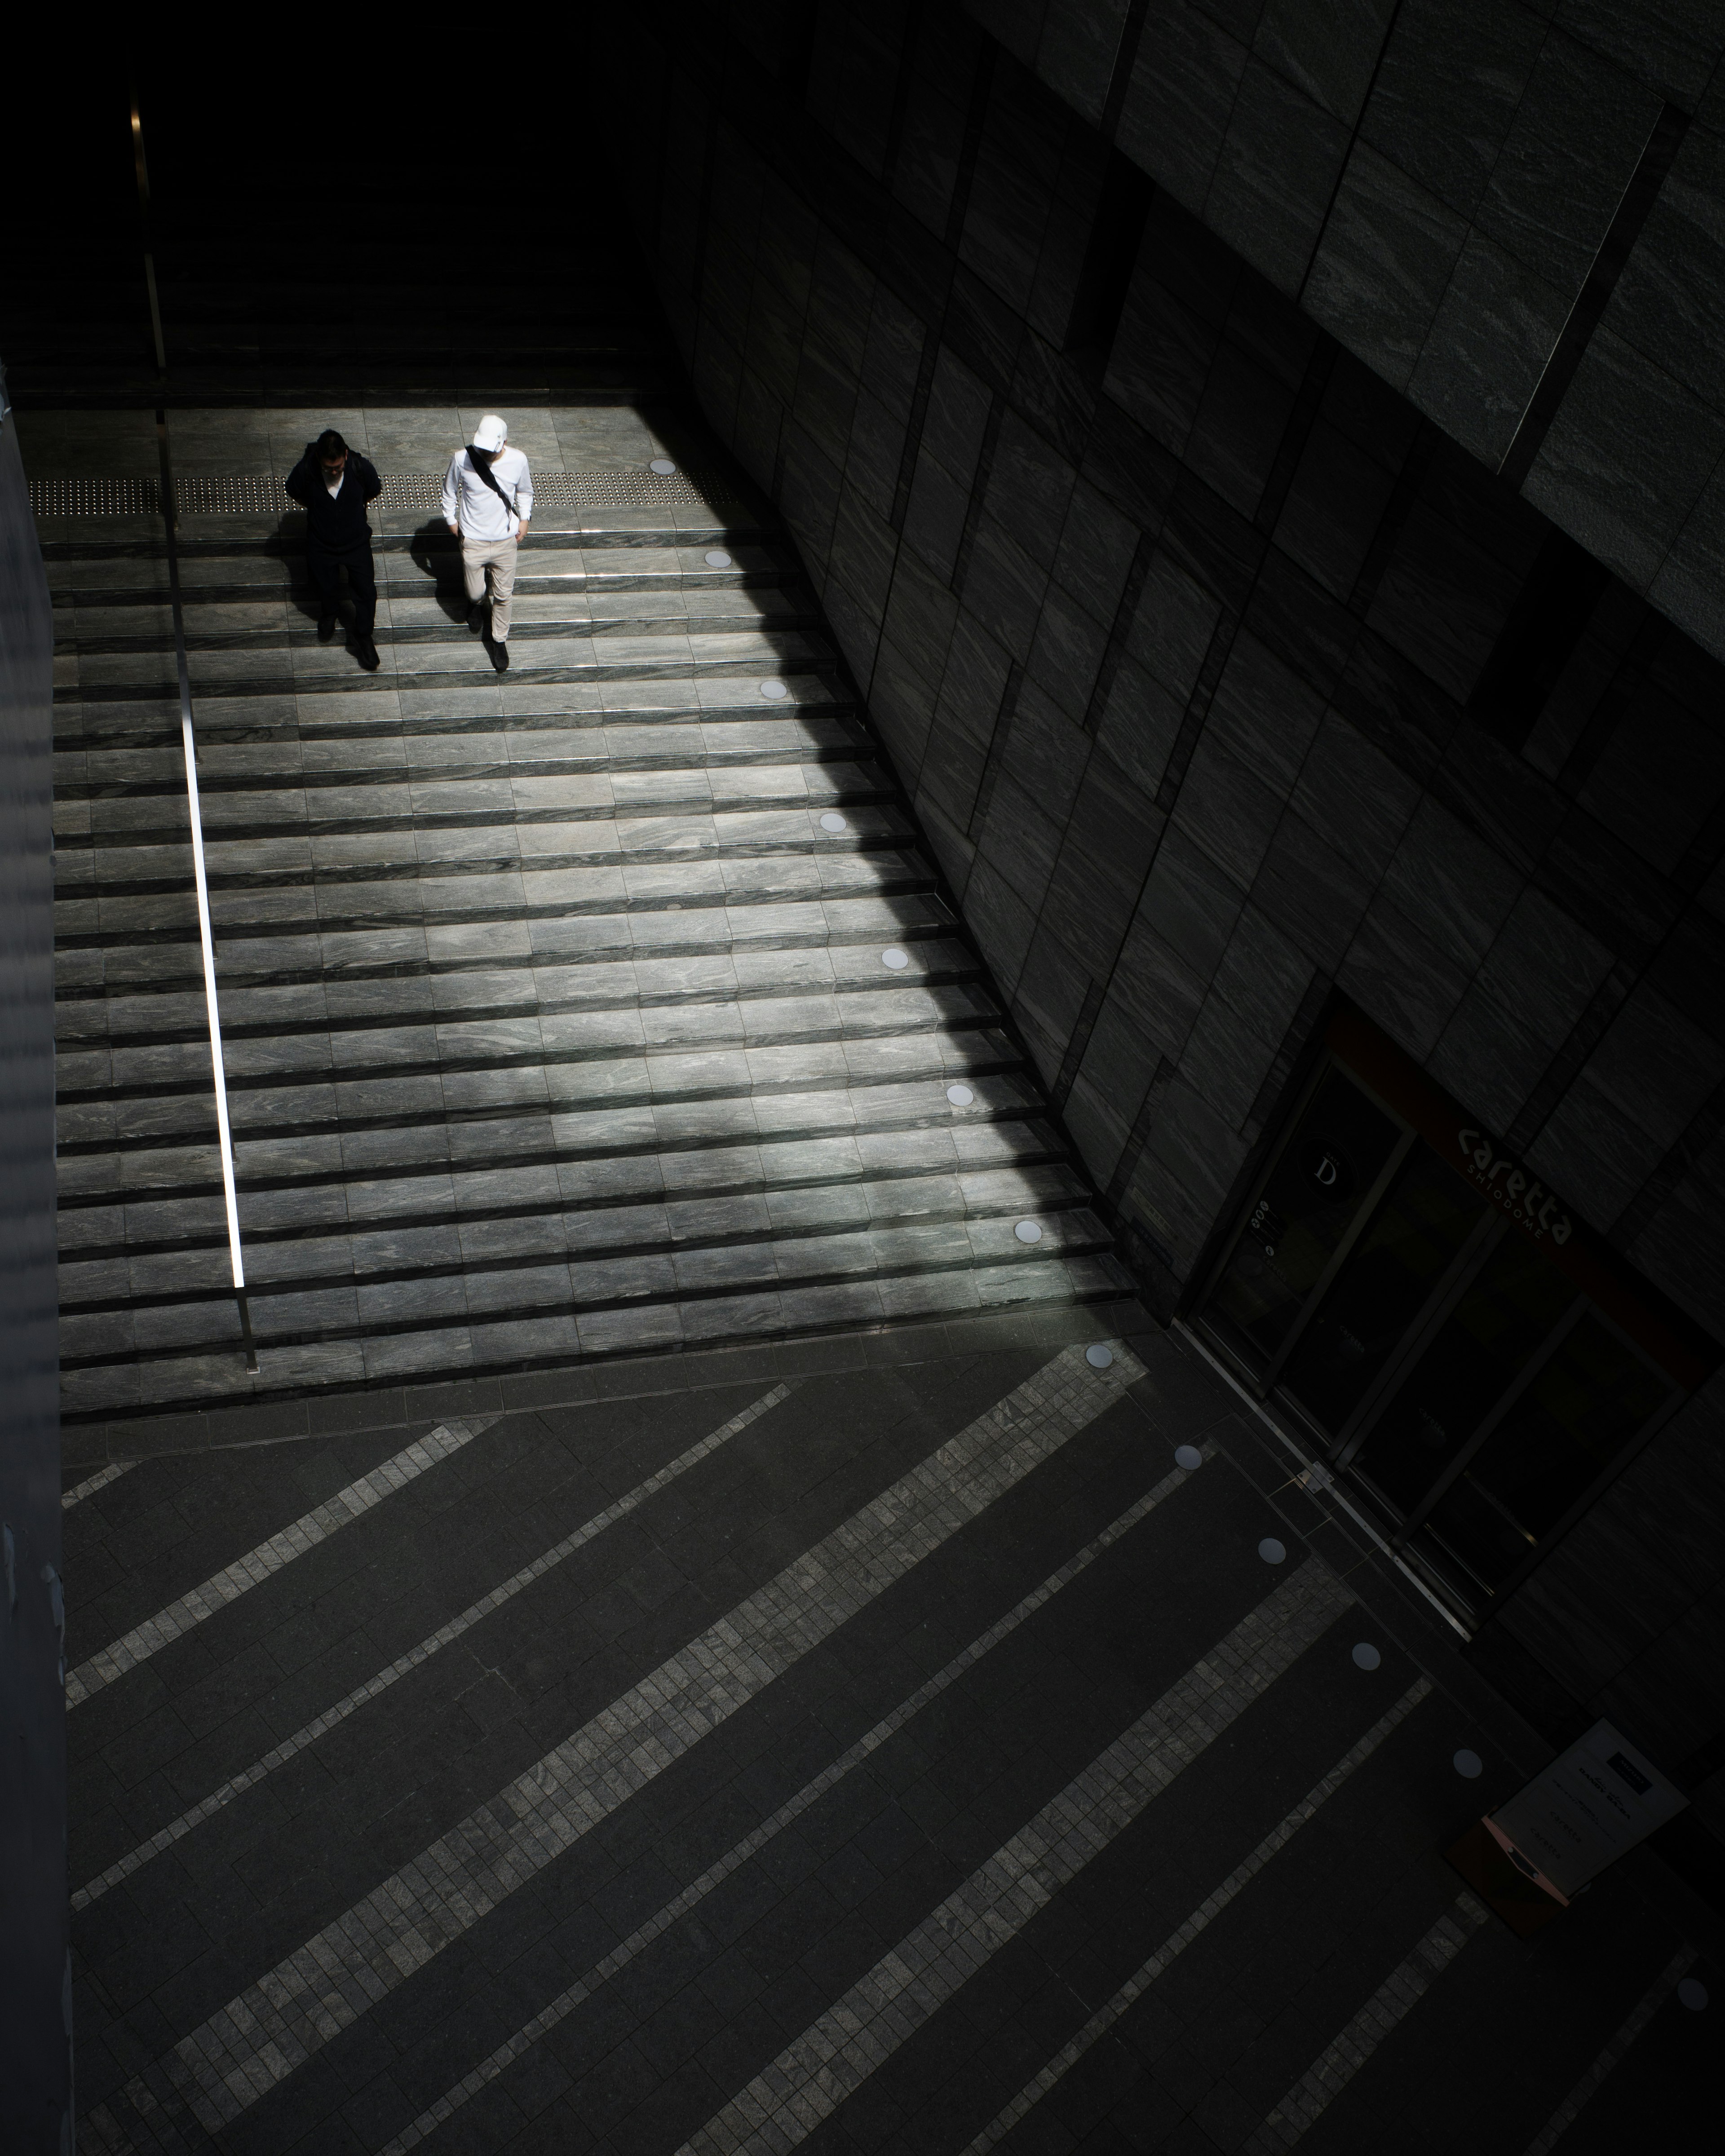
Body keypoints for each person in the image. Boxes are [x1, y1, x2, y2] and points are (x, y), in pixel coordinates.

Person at [283, 429, 383, 670]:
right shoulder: (307, 471)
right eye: (329, 469)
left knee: (367, 593)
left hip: (356, 543)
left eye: (338, 467)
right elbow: (293, 489)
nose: (334, 472)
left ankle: (363, 635)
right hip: (322, 544)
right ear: (319, 460)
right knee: (324, 586)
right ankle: (329, 613)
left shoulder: (360, 468)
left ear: (346, 456)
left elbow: (374, 488)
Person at [441, 414, 532, 672]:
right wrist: (451, 521)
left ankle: (499, 641)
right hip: (473, 540)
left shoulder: (518, 460)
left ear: (504, 442)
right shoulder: (462, 459)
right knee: (475, 593)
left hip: (506, 540)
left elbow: (525, 491)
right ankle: (474, 604)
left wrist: (524, 520)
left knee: (504, 596)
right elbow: (449, 492)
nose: (486, 454)